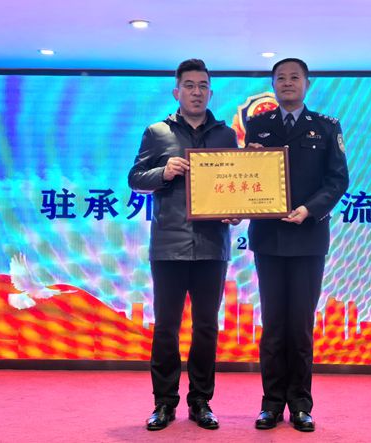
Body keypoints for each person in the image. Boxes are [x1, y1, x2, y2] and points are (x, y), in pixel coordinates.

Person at [128, 59, 238, 431]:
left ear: (210, 92)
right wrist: (164, 172)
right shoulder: (157, 132)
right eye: (189, 85)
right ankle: (163, 403)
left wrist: (236, 212)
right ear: (177, 91)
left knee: (206, 327)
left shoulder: (225, 136)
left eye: (202, 85)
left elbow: (234, 185)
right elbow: (135, 178)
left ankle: (201, 402)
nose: (196, 92)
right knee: (166, 328)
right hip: (168, 245)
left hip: (212, 245)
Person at [244, 58, 349, 432]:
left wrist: (309, 210)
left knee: (301, 326)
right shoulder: (258, 125)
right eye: (280, 78)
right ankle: (271, 404)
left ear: (307, 83)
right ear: (273, 85)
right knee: (273, 325)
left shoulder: (326, 127)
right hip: (269, 238)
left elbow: (337, 180)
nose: (287, 83)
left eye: (294, 77)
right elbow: (246, 178)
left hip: (308, 239)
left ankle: (301, 404)